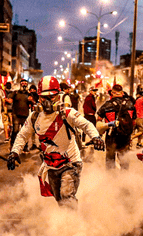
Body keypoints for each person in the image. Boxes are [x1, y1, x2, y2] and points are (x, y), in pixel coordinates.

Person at [7, 76, 105, 207]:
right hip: (51, 166)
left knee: (67, 197)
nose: (47, 101)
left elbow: (87, 125)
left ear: (58, 96)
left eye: (51, 97)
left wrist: (96, 137)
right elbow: (22, 135)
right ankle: (65, 222)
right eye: (43, 97)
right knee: (59, 200)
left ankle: (72, 225)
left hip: (71, 163)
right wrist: (14, 152)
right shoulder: (34, 116)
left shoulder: (68, 113)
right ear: (39, 97)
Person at [97, 84, 136, 168]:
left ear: (112, 93)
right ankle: (124, 177)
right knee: (124, 158)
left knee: (110, 158)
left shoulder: (107, 105)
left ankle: (111, 178)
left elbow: (98, 121)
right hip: (125, 136)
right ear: (122, 93)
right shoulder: (130, 104)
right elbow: (134, 121)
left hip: (111, 135)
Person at [7, 78, 33, 150]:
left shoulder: (29, 94)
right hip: (16, 114)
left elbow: (31, 105)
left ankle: (25, 146)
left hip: (25, 115)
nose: (24, 84)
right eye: (22, 83)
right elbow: (10, 100)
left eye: (25, 83)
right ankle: (12, 144)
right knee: (15, 130)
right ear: (20, 84)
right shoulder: (15, 93)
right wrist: (7, 100)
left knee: (24, 131)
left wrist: (31, 101)